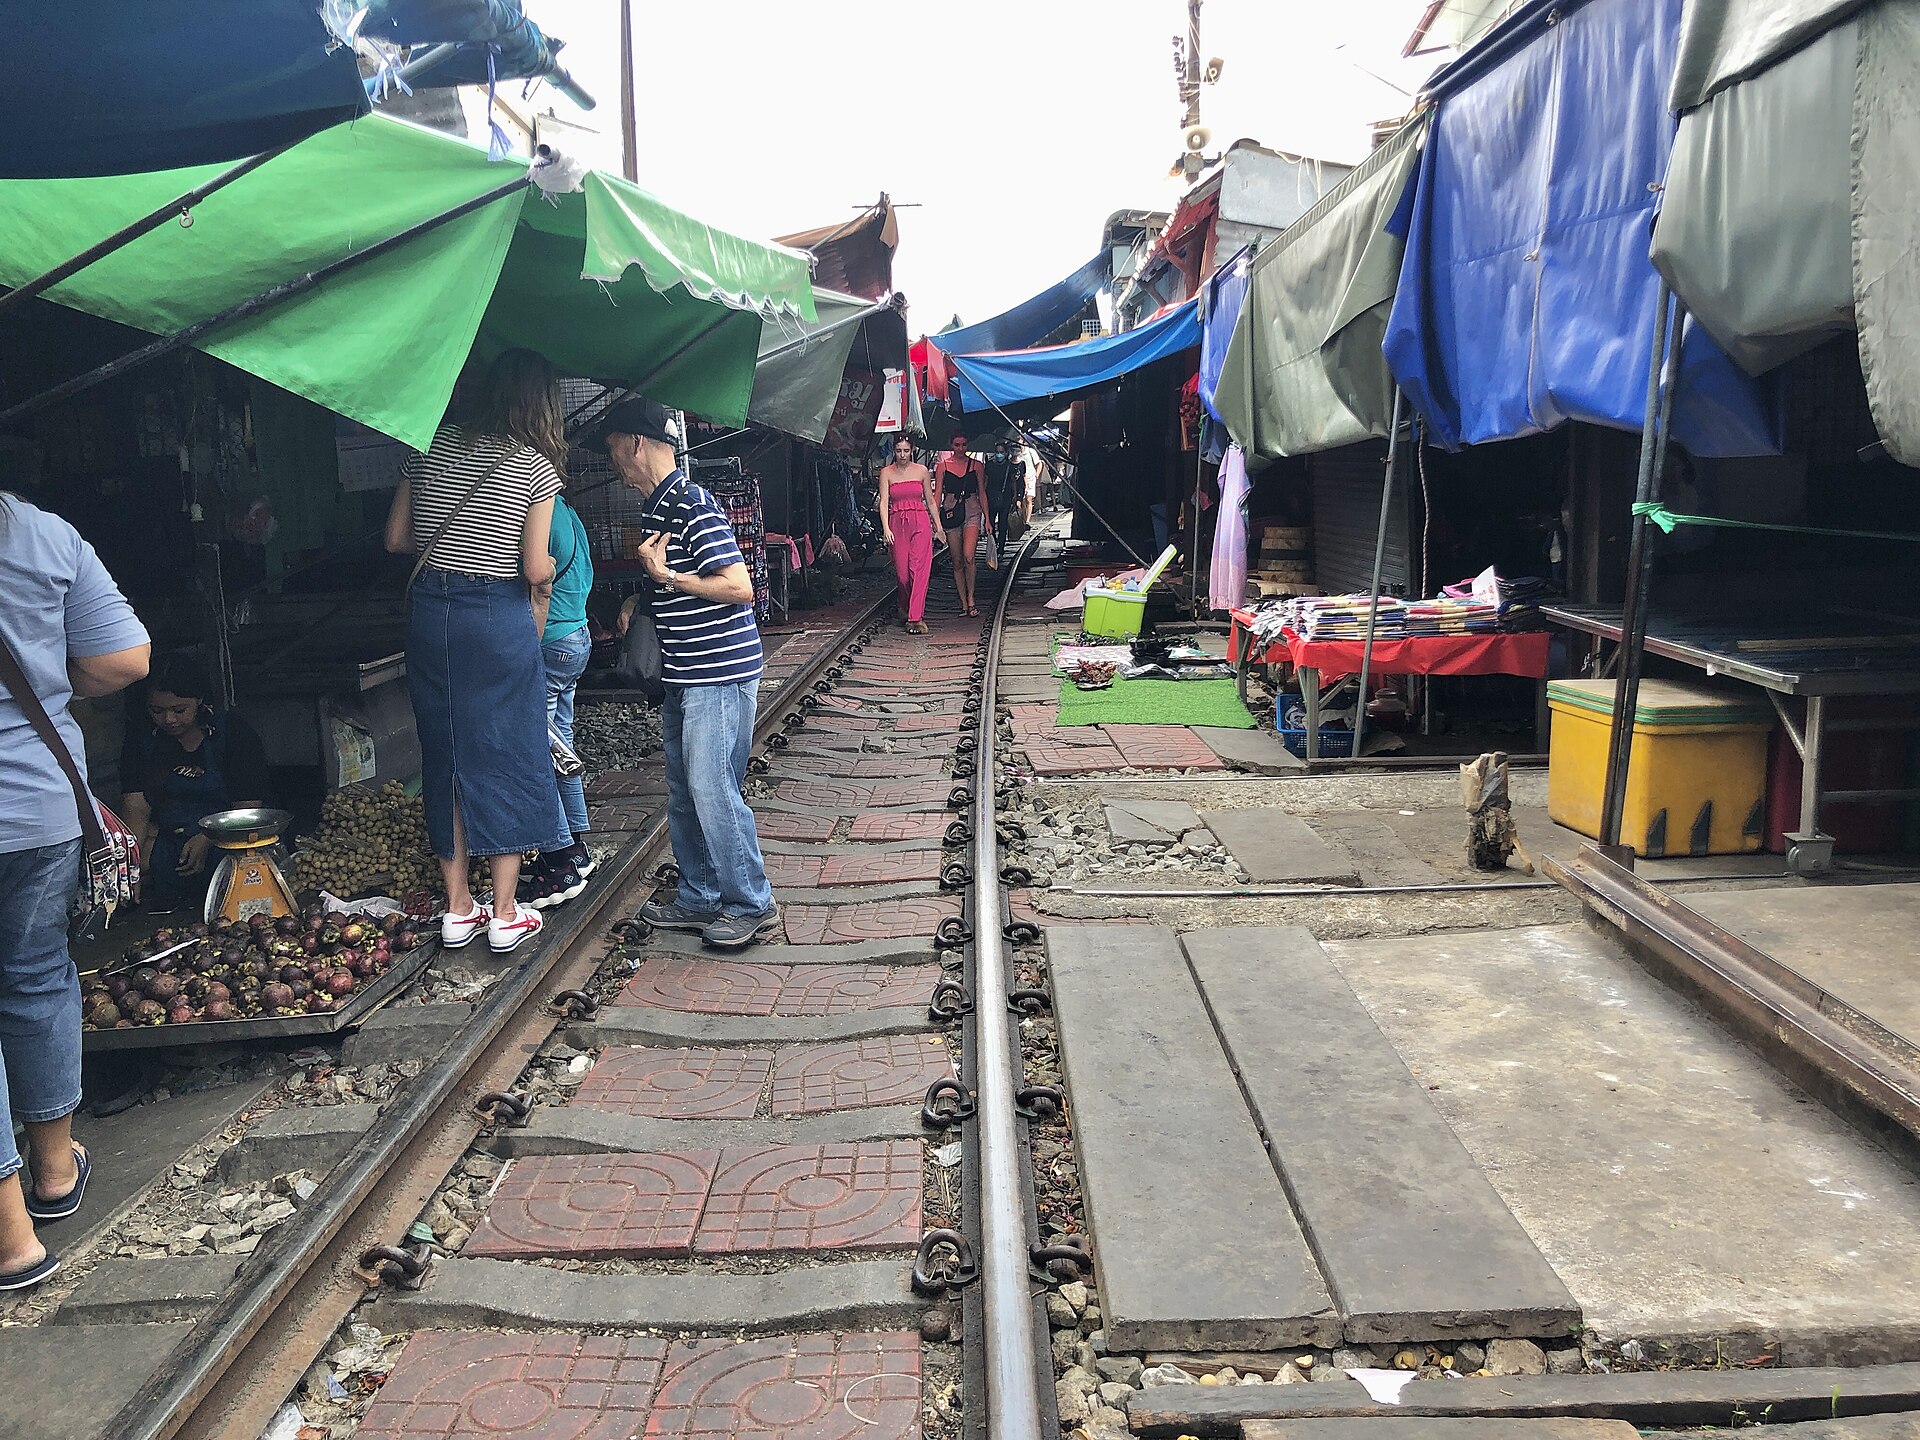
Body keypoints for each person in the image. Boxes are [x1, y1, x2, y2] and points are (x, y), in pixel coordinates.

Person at [0, 492, 150, 1291]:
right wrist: (39, 677)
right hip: (39, 808)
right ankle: (55, 1172)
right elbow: (125, 660)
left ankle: (11, 1242)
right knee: (33, 979)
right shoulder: (40, 532)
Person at [384, 348, 571, 955]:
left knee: (446, 753)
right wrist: (548, 573)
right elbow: (534, 568)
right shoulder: (534, 465)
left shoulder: (427, 447)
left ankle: (458, 908)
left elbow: (395, 539)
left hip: (430, 617)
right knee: (505, 751)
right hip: (494, 618)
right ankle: (506, 912)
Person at [603, 398, 777, 950]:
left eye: (612, 448)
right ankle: (699, 895)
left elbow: (739, 587)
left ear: (636, 443)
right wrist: (642, 597)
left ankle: (750, 902)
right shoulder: (658, 508)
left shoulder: (692, 505)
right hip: (685, 673)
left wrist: (667, 578)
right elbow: (669, 580)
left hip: (718, 673)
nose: (612, 462)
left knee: (711, 787)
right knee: (684, 789)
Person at [119, 654, 272, 913]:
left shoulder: (233, 733)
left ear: (199, 701)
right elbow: (136, 808)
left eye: (179, 710)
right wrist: (128, 869)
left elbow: (248, 807)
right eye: (157, 711)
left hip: (229, 837)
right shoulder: (142, 741)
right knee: (141, 860)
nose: (168, 719)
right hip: (174, 839)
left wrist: (209, 836)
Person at [523, 487, 596, 910]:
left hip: (550, 640)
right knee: (560, 744)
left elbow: (539, 582)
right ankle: (577, 843)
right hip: (576, 635)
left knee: (540, 746)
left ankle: (561, 856)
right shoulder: (568, 511)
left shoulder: (542, 516)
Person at [876, 435, 939, 635]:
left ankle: (915, 618)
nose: (902, 455)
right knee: (903, 575)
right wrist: (886, 527)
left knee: (918, 570)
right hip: (897, 523)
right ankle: (904, 605)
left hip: (920, 521)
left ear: (912, 451)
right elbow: (883, 502)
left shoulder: (922, 471)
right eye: (898, 451)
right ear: (894, 451)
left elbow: (930, 500)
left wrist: (938, 527)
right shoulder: (886, 472)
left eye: (906, 451)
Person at [936, 432, 992, 617]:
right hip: (951, 513)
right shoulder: (943, 466)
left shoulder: (977, 465)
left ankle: (971, 597)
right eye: (957, 445)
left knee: (969, 556)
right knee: (957, 560)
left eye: (963, 444)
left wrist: (988, 518)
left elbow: (982, 492)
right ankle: (963, 602)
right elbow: (937, 494)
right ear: (951, 446)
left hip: (972, 511)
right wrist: (935, 520)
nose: (960, 448)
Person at [985, 439, 1021, 545]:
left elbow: (1013, 481)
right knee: (991, 520)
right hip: (991, 495)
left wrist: (1015, 495)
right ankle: (993, 541)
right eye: (997, 452)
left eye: (1001, 452)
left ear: (1006, 453)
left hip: (1006, 496)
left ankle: (1001, 545)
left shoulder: (1010, 465)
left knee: (1003, 522)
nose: (999, 454)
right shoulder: (989, 465)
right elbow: (985, 480)